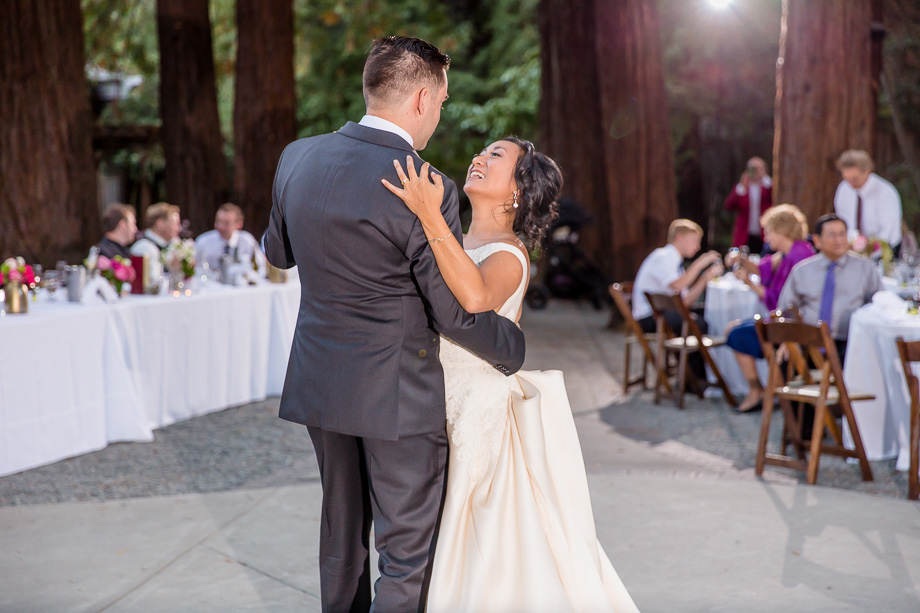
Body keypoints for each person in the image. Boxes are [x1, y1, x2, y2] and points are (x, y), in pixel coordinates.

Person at [262, 37, 525, 612]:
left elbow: (277, 252)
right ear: (423, 99)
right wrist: (511, 345)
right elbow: (454, 312)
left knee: (342, 539)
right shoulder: (424, 184)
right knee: (408, 554)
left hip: (319, 381)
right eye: (444, 101)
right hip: (396, 393)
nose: (440, 114)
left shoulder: (296, 157)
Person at [383, 137, 639, 611]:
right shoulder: (458, 240)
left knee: (476, 536)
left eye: (495, 156)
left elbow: (475, 298)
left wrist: (429, 214)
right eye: (480, 150)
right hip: (433, 395)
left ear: (518, 191)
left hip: (475, 409)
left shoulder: (509, 252)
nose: (478, 157)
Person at [723, 204, 815, 413]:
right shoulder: (788, 252)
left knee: (736, 334)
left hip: (790, 326)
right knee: (733, 328)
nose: (765, 238)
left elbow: (779, 301)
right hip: (781, 319)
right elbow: (763, 269)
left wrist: (748, 282)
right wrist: (742, 260)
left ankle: (758, 390)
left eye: (769, 232)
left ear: (782, 230)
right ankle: (758, 389)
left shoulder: (798, 257)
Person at [631, 219, 723, 389]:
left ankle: (694, 378)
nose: (697, 247)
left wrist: (703, 279)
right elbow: (677, 285)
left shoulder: (675, 263)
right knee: (698, 325)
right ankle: (695, 379)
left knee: (703, 318)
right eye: (694, 241)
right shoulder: (663, 257)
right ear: (679, 237)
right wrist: (700, 264)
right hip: (649, 318)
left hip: (662, 315)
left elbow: (685, 301)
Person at [777, 213, 881, 360]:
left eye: (842, 234)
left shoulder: (865, 268)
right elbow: (786, 307)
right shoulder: (802, 270)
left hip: (851, 343)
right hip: (808, 342)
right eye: (832, 235)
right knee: (785, 357)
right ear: (817, 240)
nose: (839, 240)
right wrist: (788, 339)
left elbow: (880, 304)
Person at [833, 149, 902, 254]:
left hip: (884, 252)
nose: (850, 183)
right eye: (847, 179)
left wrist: (869, 248)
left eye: (855, 179)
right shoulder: (844, 189)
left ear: (867, 171)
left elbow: (889, 230)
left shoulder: (885, 192)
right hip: (852, 252)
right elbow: (842, 220)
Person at [195, 203, 265, 275]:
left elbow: (261, 267)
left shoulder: (247, 241)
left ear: (239, 225)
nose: (220, 226)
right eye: (218, 221)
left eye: (226, 223)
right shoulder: (203, 242)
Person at [724, 156, 773, 252]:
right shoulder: (742, 188)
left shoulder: (768, 186)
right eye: (753, 169)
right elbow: (729, 206)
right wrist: (742, 187)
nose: (756, 172)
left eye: (759, 168)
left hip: (764, 234)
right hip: (745, 235)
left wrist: (766, 180)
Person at [130, 202, 181, 287]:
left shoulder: (174, 244)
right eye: (175, 223)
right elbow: (153, 282)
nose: (178, 228)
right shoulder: (144, 247)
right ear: (160, 224)